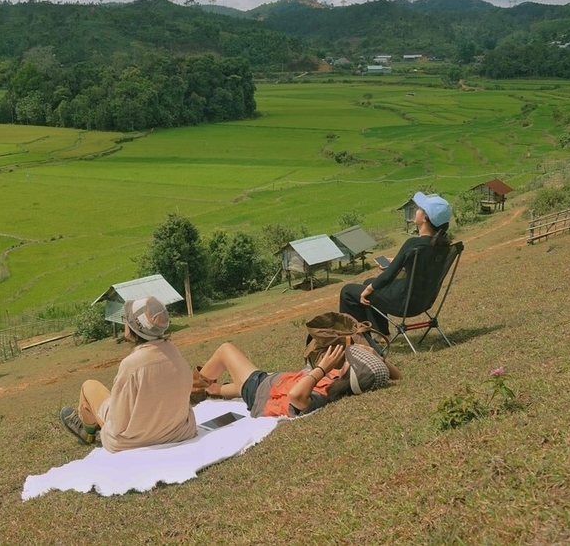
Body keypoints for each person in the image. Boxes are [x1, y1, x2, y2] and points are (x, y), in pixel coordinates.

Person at [60, 296, 197, 452]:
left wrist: (106, 418)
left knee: (89, 386)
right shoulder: (176, 355)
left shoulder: (132, 365)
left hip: (135, 442)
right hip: (178, 433)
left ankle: (88, 432)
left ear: (133, 328)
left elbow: (118, 422)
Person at [339, 191, 452, 339]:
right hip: (424, 301)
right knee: (369, 281)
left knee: (348, 291)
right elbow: (425, 271)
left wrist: (367, 290)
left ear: (425, 218)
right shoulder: (443, 246)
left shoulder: (414, 244)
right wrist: (403, 262)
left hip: (403, 302)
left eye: (419, 208)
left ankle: (357, 339)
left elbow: (388, 276)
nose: (416, 210)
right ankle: (381, 334)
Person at [193, 342, 400, 418]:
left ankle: (195, 387)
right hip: (263, 386)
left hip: (260, 387)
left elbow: (296, 397)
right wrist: (375, 355)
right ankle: (211, 390)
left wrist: (321, 368)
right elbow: (397, 376)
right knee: (230, 387)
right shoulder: (339, 383)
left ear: (350, 370)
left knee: (225, 349)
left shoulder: (324, 393)